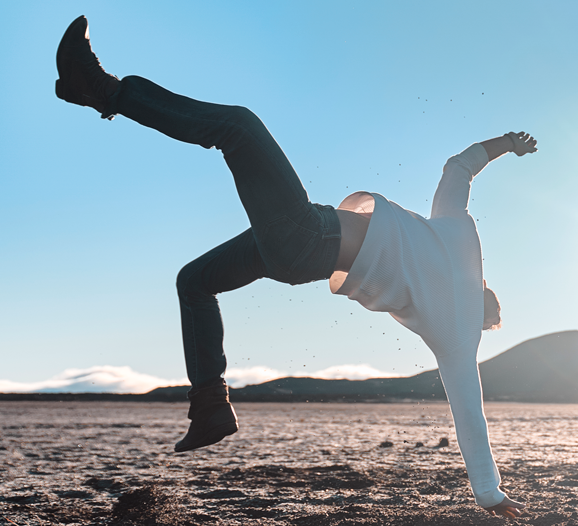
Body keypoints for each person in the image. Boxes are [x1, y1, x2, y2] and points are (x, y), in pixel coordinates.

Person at [54, 16, 529, 517]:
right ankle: (210, 406)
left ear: (483, 289)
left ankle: (102, 89)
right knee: (194, 282)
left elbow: (459, 167)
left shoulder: (459, 248)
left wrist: (507, 143)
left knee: (238, 127)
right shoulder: (457, 326)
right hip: (301, 253)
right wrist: (489, 494)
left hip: (309, 234)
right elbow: (470, 415)